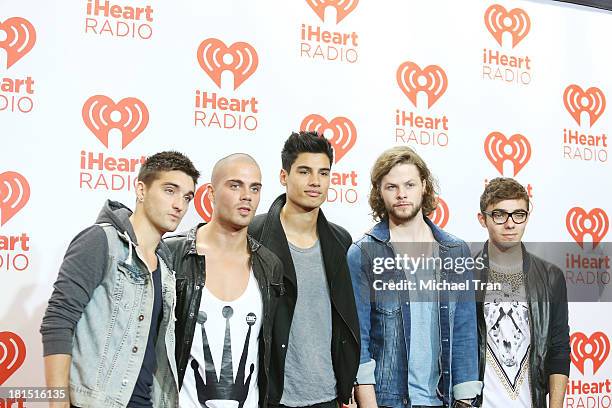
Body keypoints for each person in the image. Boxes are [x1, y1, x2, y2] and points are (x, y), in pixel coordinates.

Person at [40, 151, 200, 408]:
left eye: (187, 197)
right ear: (141, 189)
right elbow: (58, 322)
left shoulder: (167, 263)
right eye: (170, 190)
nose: (179, 204)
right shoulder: (101, 241)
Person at [348, 146, 481, 408]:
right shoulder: (363, 253)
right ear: (379, 192)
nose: (401, 194)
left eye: (409, 184)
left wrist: (464, 401)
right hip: (388, 401)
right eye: (391, 187)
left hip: (443, 401)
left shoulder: (455, 252)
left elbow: (465, 333)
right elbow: (359, 341)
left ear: (424, 186)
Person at [248, 131, 360, 408]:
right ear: (284, 176)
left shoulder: (341, 241)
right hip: (272, 396)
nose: (315, 182)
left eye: (323, 173)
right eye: (304, 171)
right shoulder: (254, 235)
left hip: (329, 396)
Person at [167, 153, 283, 408]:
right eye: (235, 185)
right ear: (210, 193)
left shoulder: (269, 265)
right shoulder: (172, 255)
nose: (247, 196)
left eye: (254, 188)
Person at [475, 177, 570, 407]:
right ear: (482, 219)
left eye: (518, 214)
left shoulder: (551, 277)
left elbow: (559, 350)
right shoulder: (466, 276)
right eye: (499, 214)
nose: (510, 224)